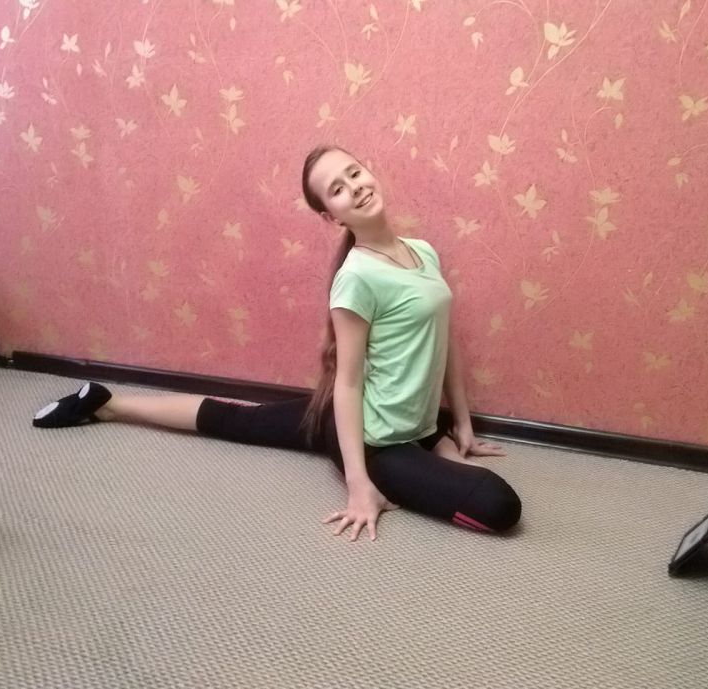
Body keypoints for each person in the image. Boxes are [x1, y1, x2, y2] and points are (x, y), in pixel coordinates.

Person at [32, 145, 522, 542]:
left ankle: (107, 402)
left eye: (354, 173)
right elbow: (349, 382)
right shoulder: (356, 278)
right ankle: (110, 404)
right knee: (500, 505)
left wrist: (460, 424)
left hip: (406, 422)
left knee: (244, 418)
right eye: (337, 189)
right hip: (372, 437)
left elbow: (443, 340)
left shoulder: (423, 252)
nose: (354, 187)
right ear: (332, 216)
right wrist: (358, 485)